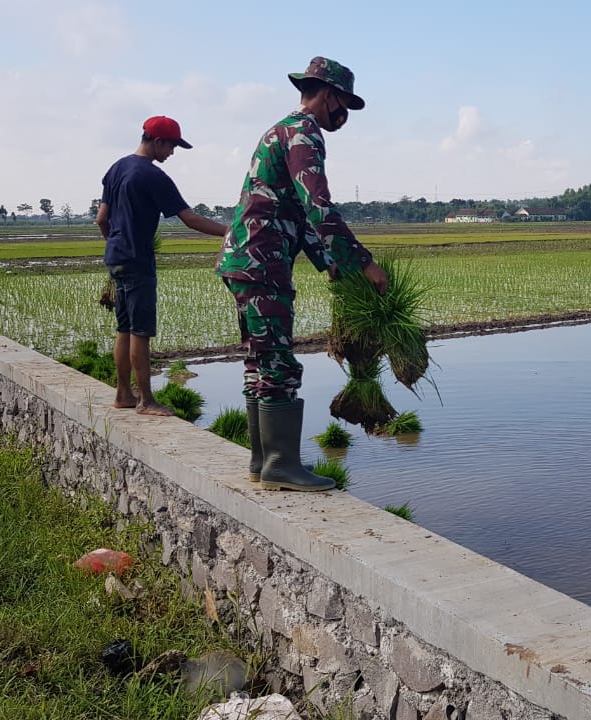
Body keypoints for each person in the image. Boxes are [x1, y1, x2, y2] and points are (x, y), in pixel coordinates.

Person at [216, 57, 388, 492]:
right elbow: (318, 206)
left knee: (259, 359)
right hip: (263, 261)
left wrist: (329, 263)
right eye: (343, 103)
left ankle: (262, 461)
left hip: (245, 260)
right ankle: (281, 466)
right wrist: (362, 261)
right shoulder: (304, 133)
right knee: (277, 362)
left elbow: (295, 210)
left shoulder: (280, 129)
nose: (344, 115)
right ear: (328, 94)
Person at [96, 116, 228, 416]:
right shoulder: (152, 176)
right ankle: (145, 400)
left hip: (116, 256)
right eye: (171, 146)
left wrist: (115, 242)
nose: (172, 153)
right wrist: (229, 231)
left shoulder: (116, 168)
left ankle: (123, 394)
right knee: (141, 330)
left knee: (124, 327)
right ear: (157, 141)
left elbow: (101, 219)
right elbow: (190, 219)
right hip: (138, 260)